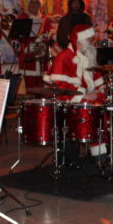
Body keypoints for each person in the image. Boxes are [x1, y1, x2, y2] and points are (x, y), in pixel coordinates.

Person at [43, 25, 106, 156]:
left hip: (87, 95)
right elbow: (60, 85)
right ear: (79, 40)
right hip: (69, 99)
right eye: (89, 39)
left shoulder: (88, 55)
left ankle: (104, 148)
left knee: (108, 102)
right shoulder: (64, 57)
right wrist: (84, 94)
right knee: (94, 107)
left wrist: (101, 90)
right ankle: (97, 149)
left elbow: (98, 79)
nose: (92, 42)